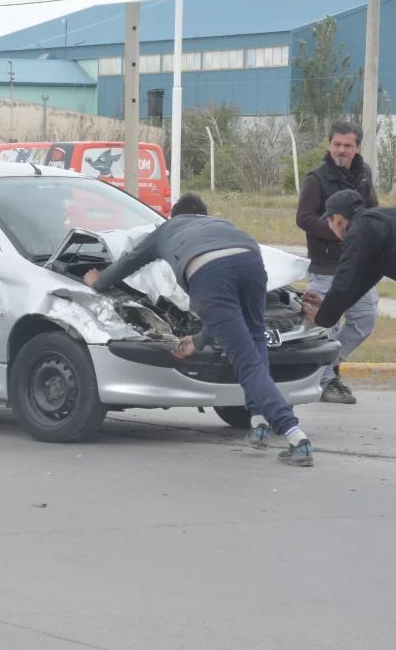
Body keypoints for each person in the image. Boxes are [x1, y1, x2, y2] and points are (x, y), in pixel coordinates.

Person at [83, 194, 314, 467]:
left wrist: (98, 282)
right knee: (254, 339)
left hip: (208, 272)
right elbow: (226, 318)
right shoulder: (222, 224)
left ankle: (295, 436)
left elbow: (128, 262)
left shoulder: (167, 229)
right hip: (251, 263)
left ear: (174, 216)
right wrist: (200, 339)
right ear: (203, 214)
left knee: (245, 360)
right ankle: (259, 422)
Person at [296, 121, 379, 404]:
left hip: (362, 264)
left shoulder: (364, 174)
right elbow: (303, 218)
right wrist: (339, 231)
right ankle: (326, 382)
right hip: (327, 266)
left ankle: (327, 368)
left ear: (357, 148)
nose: (341, 151)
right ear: (329, 145)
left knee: (364, 320)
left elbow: (373, 209)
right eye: (337, 145)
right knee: (325, 325)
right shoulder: (316, 178)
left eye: (348, 146)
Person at [303, 189, 396, 331]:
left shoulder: (359, 232)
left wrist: (321, 319)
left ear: (338, 219)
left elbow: (344, 280)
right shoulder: (376, 221)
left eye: (329, 221)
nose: (330, 227)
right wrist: (327, 308)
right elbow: (363, 279)